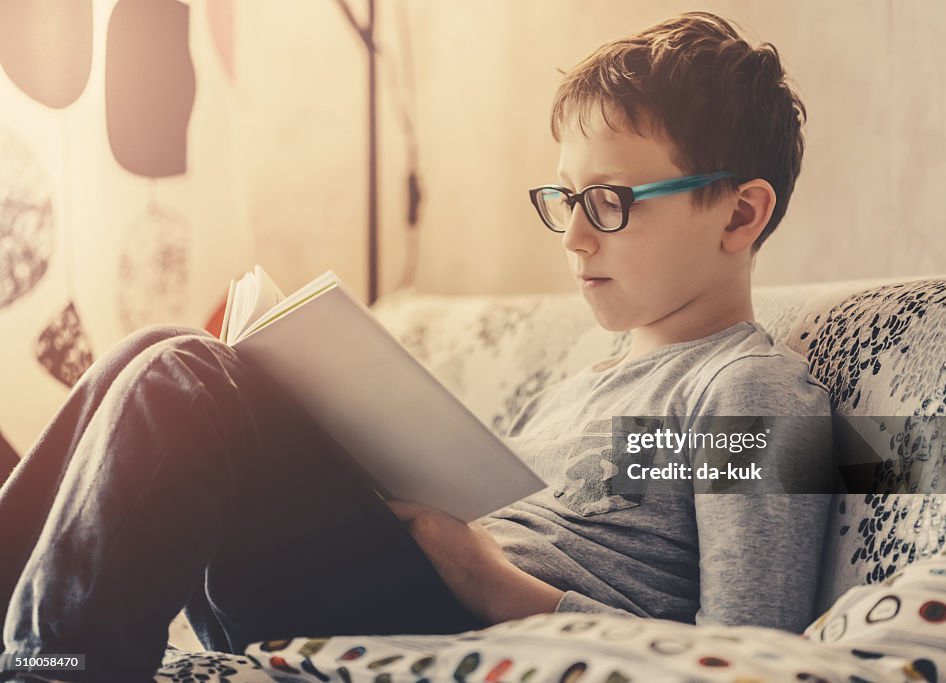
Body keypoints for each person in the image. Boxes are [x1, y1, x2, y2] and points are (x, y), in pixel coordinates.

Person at [0, 11, 831, 682]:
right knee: (161, 346)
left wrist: (490, 581)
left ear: (738, 214)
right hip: (398, 586)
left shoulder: (746, 389)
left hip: (466, 623)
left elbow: (743, 658)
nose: (574, 238)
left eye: (610, 201)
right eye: (566, 198)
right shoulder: (594, 373)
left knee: (185, 379)